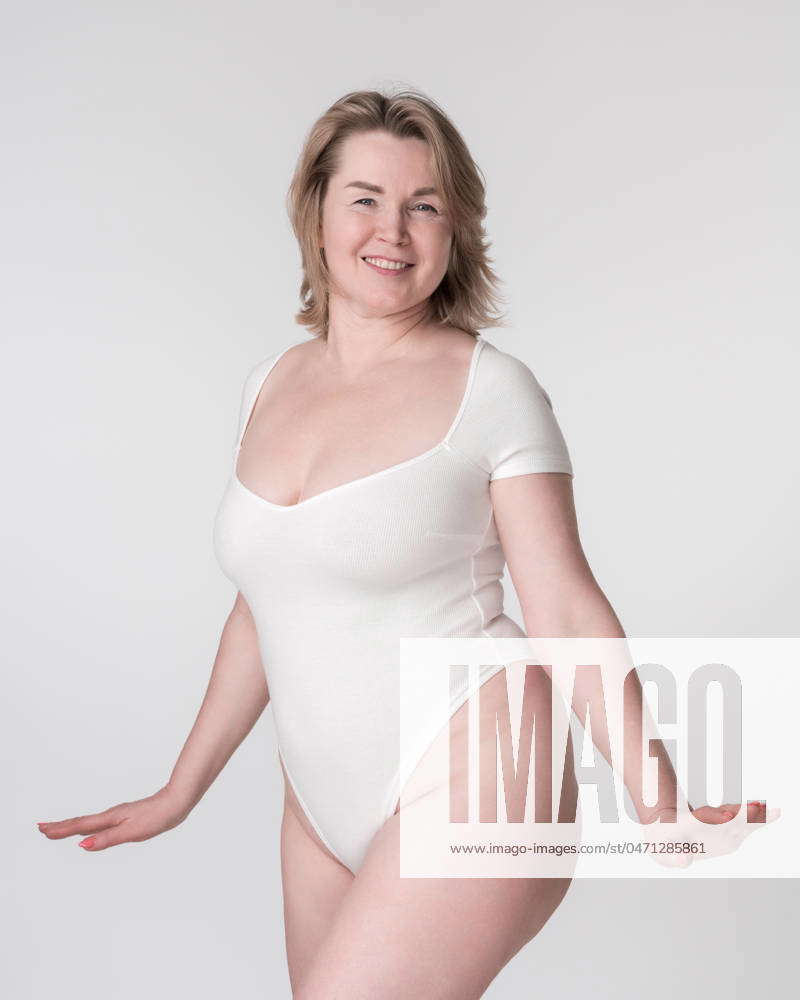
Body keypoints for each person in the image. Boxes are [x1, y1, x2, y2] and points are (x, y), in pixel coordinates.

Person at [38, 89, 770, 999]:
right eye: (365, 198)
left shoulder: (491, 389)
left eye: (425, 205)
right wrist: (180, 791)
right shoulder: (270, 384)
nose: (394, 229)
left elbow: (566, 607)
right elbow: (265, 605)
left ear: (455, 228)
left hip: (478, 765)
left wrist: (660, 808)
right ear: (316, 211)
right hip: (318, 799)